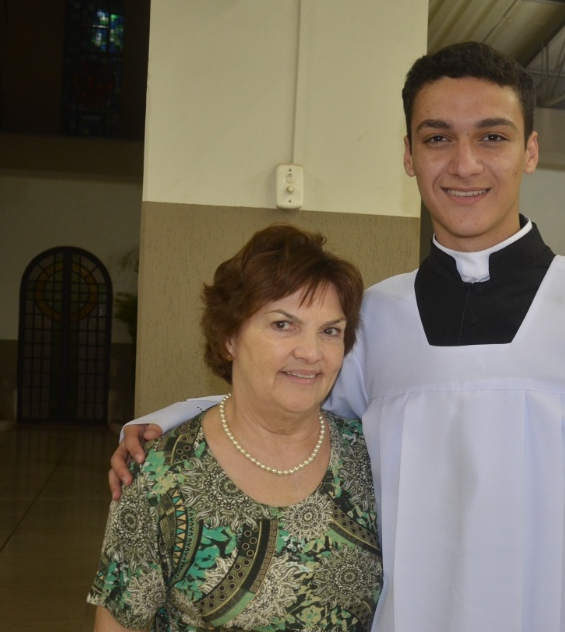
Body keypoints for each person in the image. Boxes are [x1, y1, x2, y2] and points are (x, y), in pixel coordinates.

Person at [111, 43, 565, 631]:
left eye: (492, 137)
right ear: (409, 156)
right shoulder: (377, 315)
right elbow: (295, 419)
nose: (464, 164)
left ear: (531, 151)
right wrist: (176, 423)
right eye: (437, 138)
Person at [89, 224, 382, 631]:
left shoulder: (371, 459)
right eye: (283, 324)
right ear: (230, 337)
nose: (311, 352)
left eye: (329, 331)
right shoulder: (161, 474)